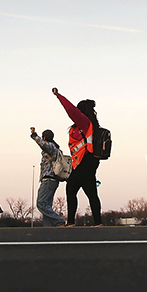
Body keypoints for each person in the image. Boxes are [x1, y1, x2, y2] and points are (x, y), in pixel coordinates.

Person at [53, 88, 102, 227]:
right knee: (90, 191)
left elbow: (71, 110)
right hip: (87, 161)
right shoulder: (87, 125)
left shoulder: (85, 123)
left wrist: (59, 96)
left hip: (85, 161)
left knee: (71, 188)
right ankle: (98, 222)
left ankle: (71, 222)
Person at [32, 127, 67, 227]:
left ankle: (59, 221)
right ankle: (48, 228)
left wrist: (35, 136)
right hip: (52, 180)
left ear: (44, 138)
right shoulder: (55, 147)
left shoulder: (51, 147)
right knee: (47, 206)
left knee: (41, 204)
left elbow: (43, 145)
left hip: (48, 179)